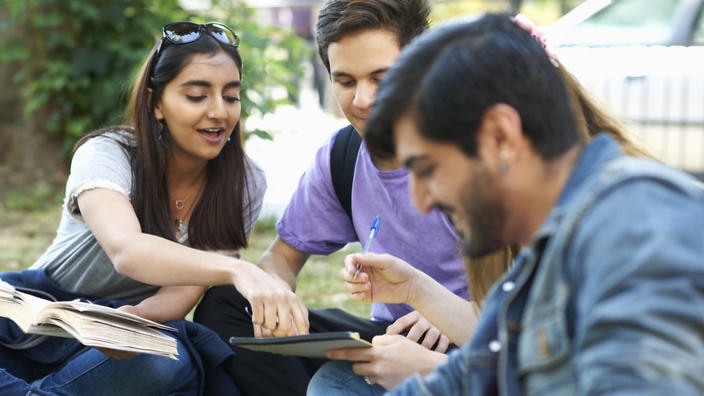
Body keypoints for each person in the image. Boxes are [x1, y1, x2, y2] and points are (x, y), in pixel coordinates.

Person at [329, 12, 704, 394]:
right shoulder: (539, 260)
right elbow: (464, 380)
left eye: (428, 169)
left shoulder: (636, 229)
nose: (421, 201)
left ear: (501, 137)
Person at [192, 1, 475, 395]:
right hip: (388, 338)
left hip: (480, 341)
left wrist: (456, 314)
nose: (362, 100)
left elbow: (543, 290)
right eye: (346, 81)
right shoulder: (343, 156)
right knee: (226, 305)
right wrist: (273, 298)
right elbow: (280, 259)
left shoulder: (478, 148)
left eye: (382, 77)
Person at [0, 20, 282, 394]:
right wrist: (238, 270)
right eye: (197, 96)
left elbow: (181, 293)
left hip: (123, 330)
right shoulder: (107, 153)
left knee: (166, 358)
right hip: (41, 317)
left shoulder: (244, 182)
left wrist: (132, 320)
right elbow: (127, 250)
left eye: (230, 96)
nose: (219, 112)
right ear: (156, 103)